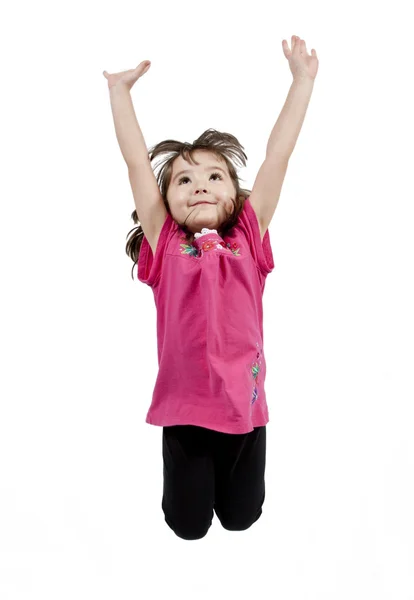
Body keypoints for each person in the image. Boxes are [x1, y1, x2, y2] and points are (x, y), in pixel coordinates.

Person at [103, 35, 318, 540]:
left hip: (245, 409)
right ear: (166, 201)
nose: (199, 185)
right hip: (185, 412)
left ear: (235, 193)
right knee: (188, 525)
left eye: (214, 177)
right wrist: (120, 94)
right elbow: (137, 163)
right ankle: (188, 502)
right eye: (183, 180)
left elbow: (277, 158)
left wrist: (302, 83)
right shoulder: (166, 245)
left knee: (243, 517)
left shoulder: (248, 234)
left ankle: (237, 495)